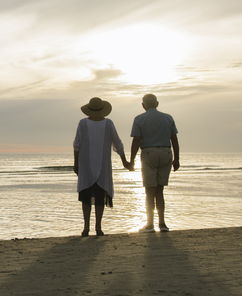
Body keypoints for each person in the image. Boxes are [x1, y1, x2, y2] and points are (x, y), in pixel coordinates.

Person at [73, 97, 130, 237]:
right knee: (100, 195)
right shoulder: (108, 124)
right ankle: (98, 227)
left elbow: (76, 145)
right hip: (103, 165)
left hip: (85, 164)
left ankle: (86, 227)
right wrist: (125, 161)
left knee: (85, 195)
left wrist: (76, 163)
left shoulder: (83, 123)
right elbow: (118, 144)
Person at [129, 93, 180, 233]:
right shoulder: (168, 117)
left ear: (143, 105)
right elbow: (174, 139)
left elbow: (137, 140)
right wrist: (177, 158)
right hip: (166, 152)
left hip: (149, 152)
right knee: (160, 190)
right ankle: (162, 223)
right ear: (157, 104)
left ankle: (150, 224)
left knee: (149, 191)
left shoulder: (139, 119)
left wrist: (132, 160)